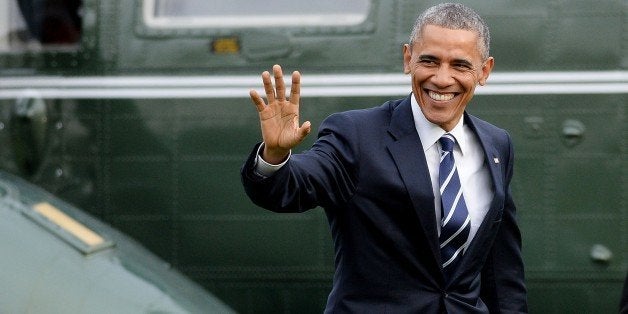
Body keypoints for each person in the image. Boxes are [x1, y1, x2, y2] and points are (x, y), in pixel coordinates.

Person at [241, 3, 527, 313]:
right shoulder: (356, 134)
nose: (442, 79)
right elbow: (295, 186)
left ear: (484, 71)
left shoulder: (497, 145)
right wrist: (275, 155)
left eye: (460, 65)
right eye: (429, 61)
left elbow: (502, 273)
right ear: (408, 59)